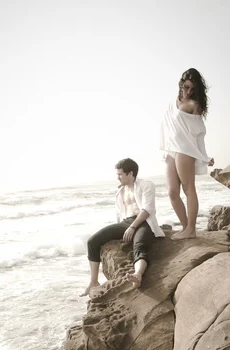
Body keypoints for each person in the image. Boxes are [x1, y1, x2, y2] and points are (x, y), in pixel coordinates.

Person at [80, 158, 165, 296]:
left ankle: (137, 275)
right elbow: (121, 213)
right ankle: (93, 281)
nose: (118, 178)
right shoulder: (121, 191)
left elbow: (147, 209)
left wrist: (132, 227)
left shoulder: (146, 185)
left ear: (130, 173)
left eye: (120, 174)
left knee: (139, 246)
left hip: (144, 221)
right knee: (92, 241)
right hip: (126, 222)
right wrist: (125, 228)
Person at [160, 68, 214, 240]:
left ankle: (191, 229)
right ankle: (185, 228)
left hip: (185, 149)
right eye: (186, 87)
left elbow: (199, 133)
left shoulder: (194, 105)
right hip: (171, 150)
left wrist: (204, 156)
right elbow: (167, 127)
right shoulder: (173, 102)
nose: (188, 91)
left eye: (192, 89)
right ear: (181, 84)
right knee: (172, 192)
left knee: (188, 189)